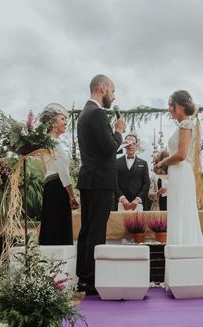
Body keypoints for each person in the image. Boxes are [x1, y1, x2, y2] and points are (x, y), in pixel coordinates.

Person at [76, 74, 126, 295]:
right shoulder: (96, 113)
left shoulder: (84, 113)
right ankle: (92, 280)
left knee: (87, 229)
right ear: (103, 88)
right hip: (100, 181)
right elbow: (108, 148)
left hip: (89, 178)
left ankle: (84, 277)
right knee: (96, 230)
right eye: (113, 91)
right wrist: (119, 132)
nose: (113, 97)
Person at [154, 90, 203, 245]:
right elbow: (180, 152)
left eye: (171, 104)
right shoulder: (183, 125)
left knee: (181, 212)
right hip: (178, 173)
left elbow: (182, 155)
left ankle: (183, 248)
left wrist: (162, 163)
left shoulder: (185, 124)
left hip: (181, 173)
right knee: (178, 212)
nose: (169, 108)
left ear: (181, 106)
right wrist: (165, 154)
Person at [38, 103, 79, 245]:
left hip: (49, 185)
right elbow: (63, 172)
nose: (66, 122)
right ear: (53, 122)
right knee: (59, 227)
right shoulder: (54, 144)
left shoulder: (45, 142)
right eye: (62, 119)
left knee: (51, 225)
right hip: (57, 186)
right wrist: (72, 196)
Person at [116, 133, 150, 211]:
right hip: (120, 203)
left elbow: (146, 183)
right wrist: (122, 198)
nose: (131, 145)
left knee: (137, 223)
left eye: (133, 143)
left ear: (137, 146)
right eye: (128, 143)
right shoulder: (116, 162)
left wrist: (138, 199)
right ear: (124, 145)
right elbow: (114, 182)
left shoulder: (143, 163)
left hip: (138, 204)